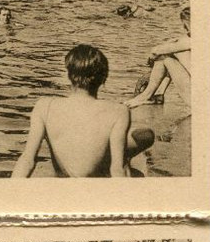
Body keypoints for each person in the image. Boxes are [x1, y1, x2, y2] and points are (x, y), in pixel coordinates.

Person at [11, 44, 155, 178]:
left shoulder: (44, 106)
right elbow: (118, 169)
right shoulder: (119, 111)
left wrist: (10, 193)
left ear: (69, 75)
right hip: (94, 184)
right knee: (137, 169)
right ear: (103, 79)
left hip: (66, 184)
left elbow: (27, 159)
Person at [128, 7, 191, 110]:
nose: (184, 29)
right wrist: (170, 43)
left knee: (165, 57)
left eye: (185, 25)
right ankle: (159, 94)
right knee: (171, 54)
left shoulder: (192, 41)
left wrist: (152, 56)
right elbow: (180, 41)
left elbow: (156, 51)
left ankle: (146, 96)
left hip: (196, 100)